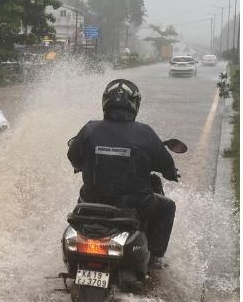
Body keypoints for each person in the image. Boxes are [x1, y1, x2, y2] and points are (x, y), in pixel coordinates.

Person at [67, 79, 178, 270]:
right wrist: (170, 173)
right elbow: (166, 163)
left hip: (91, 202)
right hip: (135, 204)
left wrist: (81, 164)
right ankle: (155, 259)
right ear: (134, 105)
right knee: (167, 207)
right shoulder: (145, 133)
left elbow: (73, 156)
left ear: (105, 102)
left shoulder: (90, 128)